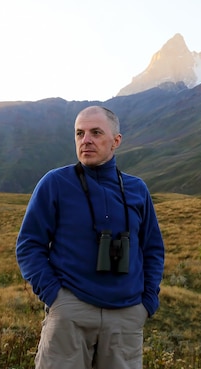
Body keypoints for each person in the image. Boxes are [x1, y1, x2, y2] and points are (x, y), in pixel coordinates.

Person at [16, 105, 165, 369]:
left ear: (116, 141)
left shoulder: (137, 189)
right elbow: (29, 245)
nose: (86, 140)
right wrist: (55, 297)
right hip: (71, 311)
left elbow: (152, 249)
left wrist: (147, 302)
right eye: (79, 133)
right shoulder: (55, 183)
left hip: (126, 316)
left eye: (96, 133)